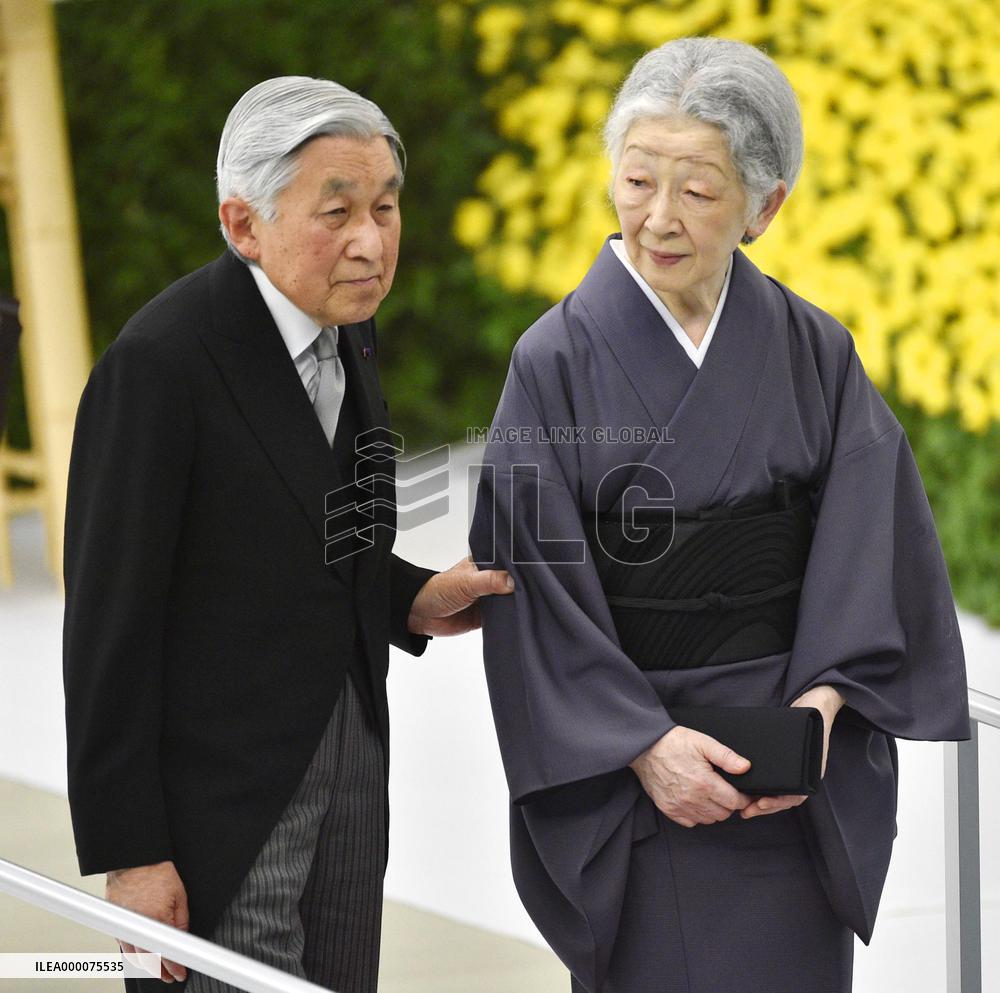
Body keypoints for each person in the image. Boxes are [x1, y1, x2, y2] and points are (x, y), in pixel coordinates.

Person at [470, 37, 969, 993]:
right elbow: (531, 596)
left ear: (765, 207)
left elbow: (873, 545)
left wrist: (821, 714)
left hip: (790, 780)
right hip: (640, 786)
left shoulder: (813, 349)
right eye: (637, 180)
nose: (659, 218)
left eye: (697, 192)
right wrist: (646, 749)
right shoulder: (553, 362)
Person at [63, 76, 512, 993]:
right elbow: (107, 626)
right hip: (222, 803)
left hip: (350, 763)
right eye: (337, 211)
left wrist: (414, 599)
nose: (372, 241)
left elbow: (301, 533)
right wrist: (132, 855)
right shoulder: (159, 367)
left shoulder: (350, 332)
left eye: (385, 207)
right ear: (243, 226)